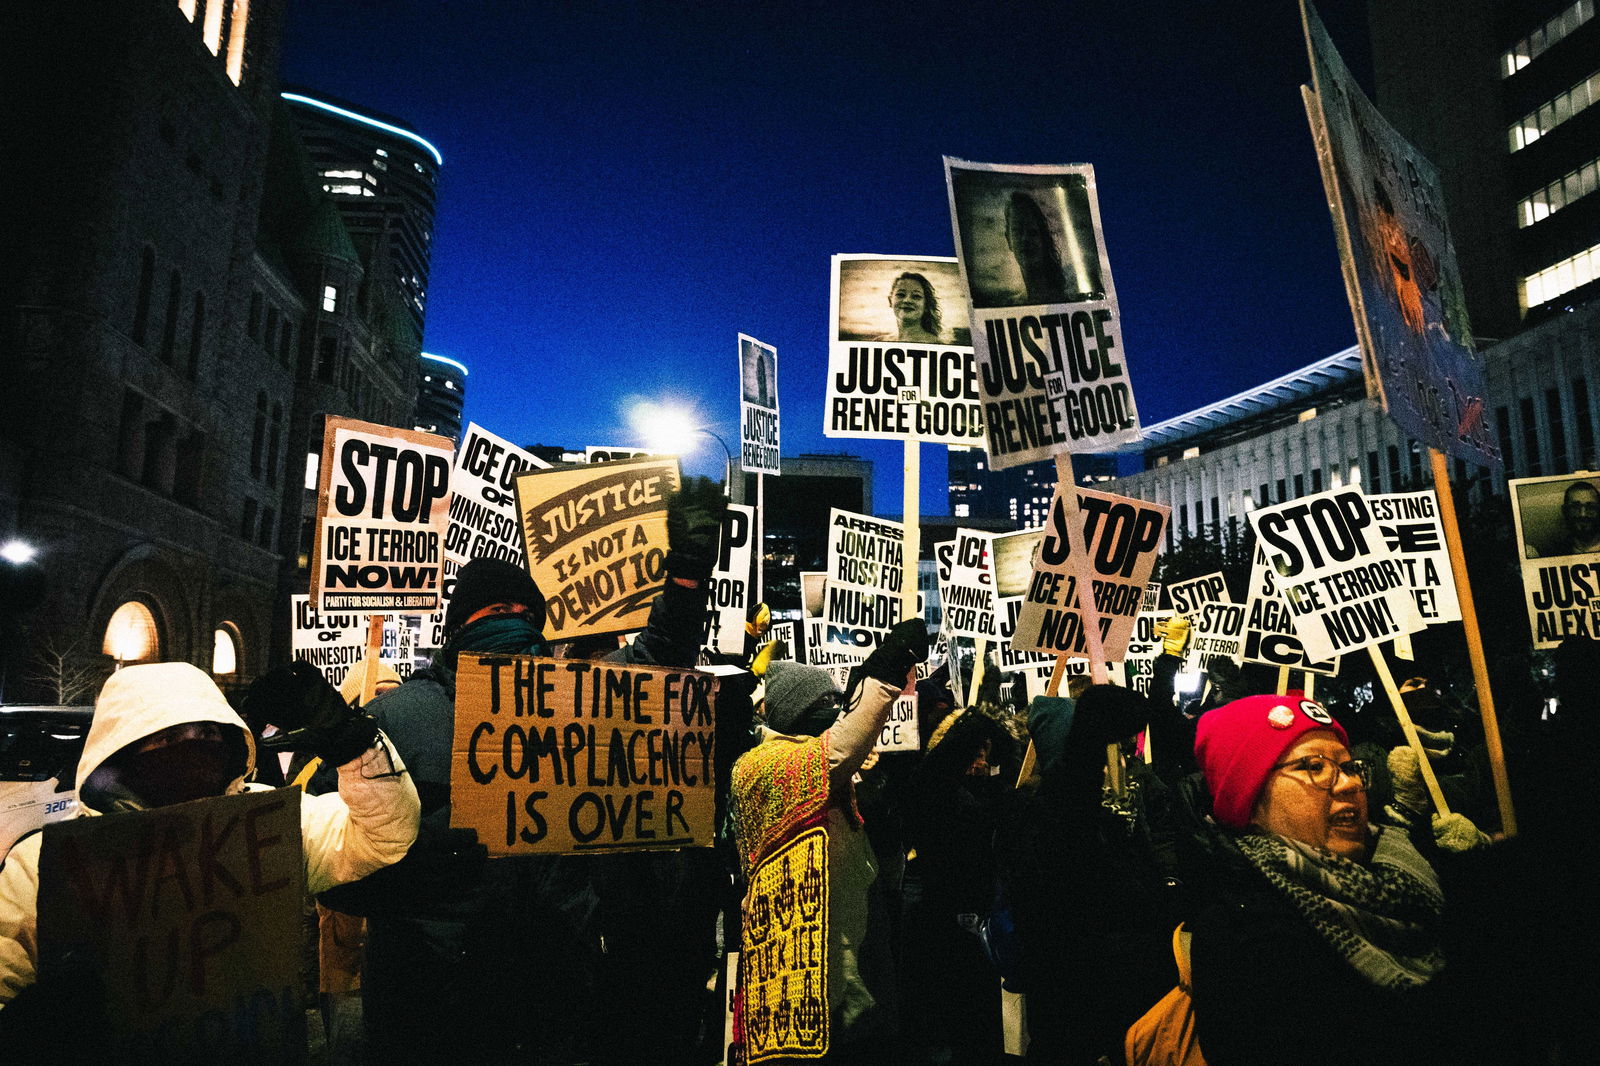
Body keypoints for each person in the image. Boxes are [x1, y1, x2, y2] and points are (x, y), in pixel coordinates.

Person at [314, 476, 729, 1065]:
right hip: (474, 1008)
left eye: (521, 613)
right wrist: (428, 887)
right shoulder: (394, 720)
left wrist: (686, 576)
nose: (512, 621)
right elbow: (322, 859)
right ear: (463, 624)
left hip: (502, 1006)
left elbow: (658, 662)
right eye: (499, 611)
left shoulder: (404, 716)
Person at [0, 661, 420, 1052]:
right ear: (121, 748)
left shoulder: (267, 824)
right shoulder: (46, 862)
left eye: (206, 735)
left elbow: (381, 837)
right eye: (166, 739)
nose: (190, 751)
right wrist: (31, 1025)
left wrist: (359, 749)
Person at [1185, 693, 1455, 1065]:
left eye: (1348, 767)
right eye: (1314, 765)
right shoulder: (1244, 934)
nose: (1348, 785)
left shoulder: (1407, 864)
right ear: (1250, 801)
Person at [729, 619, 928, 1065]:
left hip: (843, 963)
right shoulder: (762, 767)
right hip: (802, 973)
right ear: (795, 712)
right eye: (822, 704)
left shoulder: (819, 770)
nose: (832, 712)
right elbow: (841, 746)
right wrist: (886, 670)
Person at [1530, 479, 1600, 557]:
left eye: (1591, 507)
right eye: (1575, 507)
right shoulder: (1550, 553)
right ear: (1564, 511)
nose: (1582, 514)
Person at [878, 271, 946, 344]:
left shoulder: (936, 344)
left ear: (926, 305)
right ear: (890, 301)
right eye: (901, 294)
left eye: (916, 296)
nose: (907, 300)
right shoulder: (879, 341)